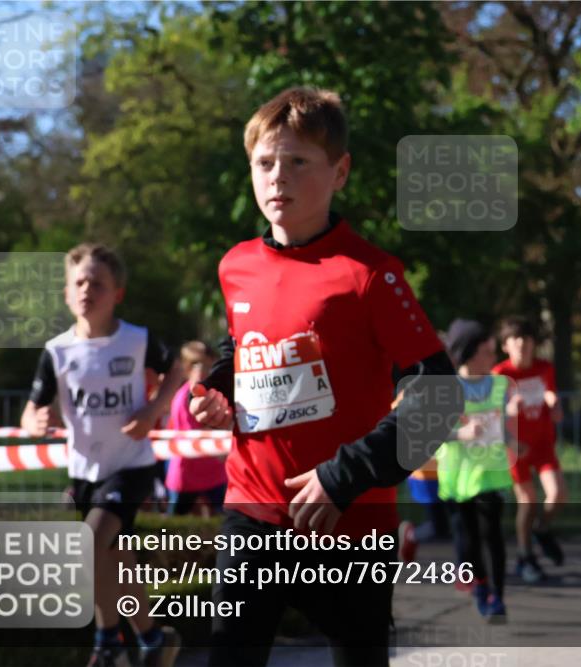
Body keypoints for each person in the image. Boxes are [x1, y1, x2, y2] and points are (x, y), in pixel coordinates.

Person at [189, 86, 459, 667]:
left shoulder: (369, 275)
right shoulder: (235, 266)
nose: (277, 177)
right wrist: (217, 386)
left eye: (298, 162)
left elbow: (440, 397)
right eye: (264, 163)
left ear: (340, 173)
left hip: (349, 521)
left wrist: (345, 477)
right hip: (253, 511)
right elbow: (244, 345)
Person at [21, 243, 183, 667]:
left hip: (131, 465)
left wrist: (153, 409)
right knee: (113, 559)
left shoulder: (137, 339)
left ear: (117, 294)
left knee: (87, 543)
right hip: (84, 471)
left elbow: (178, 369)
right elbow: (31, 410)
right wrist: (32, 424)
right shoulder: (57, 351)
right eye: (79, 282)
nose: (87, 289)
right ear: (66, 294)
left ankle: (107, 638)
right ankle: (151, 637)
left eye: (97, 282)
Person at [436, 319, 517, 622]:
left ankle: (498, 597)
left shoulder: (499, 385)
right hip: (457, 478)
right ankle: (480, 586)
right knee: (468, 540)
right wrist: (462, 435)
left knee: (492, 536)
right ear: (469, 353)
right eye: (486, 352)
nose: (493, 358)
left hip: (491, 475)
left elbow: (504, 428)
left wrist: (513, 428)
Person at [492, 316, 566, 583]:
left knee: (557, 495)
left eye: (527, 339)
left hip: (543, 444)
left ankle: (542, 530)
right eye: (516, 339)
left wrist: (554, 405)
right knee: (528, 501)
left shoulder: (544, 367)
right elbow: (492, 415)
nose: (523, 344)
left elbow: (550, 394)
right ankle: (525, 556)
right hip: (516, 447)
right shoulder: (500, 375)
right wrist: (509, 412)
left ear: (535, 343)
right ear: (506, 346)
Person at [165, 341, 228, 516]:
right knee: (173, 526)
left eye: (211, 366)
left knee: (224, 520)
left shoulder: (215, 392)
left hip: (214, 472)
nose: (208, 371)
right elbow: (193, 433)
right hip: (187, 474)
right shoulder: (182, 398)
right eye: (201, 366)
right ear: (187, 369)